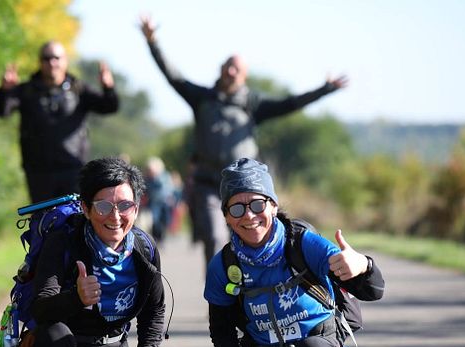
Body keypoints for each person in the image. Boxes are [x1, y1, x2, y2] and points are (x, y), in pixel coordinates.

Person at [140, 16, 348, 264]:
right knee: (214, 237)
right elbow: (172, 75)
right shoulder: (202, 98)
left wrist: (324, 89)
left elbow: (289, 104)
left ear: (244, 76)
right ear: (220, 68)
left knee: (249, 237)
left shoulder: (252, 104)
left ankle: (247, 287)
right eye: (227, 66)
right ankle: (219, 291)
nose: (230, 71)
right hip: (209, 183)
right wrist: (152, 41)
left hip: (243, 184)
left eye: (236, 69)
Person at [204, 158, 385, 347]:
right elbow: (221, 332)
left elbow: (374, 290)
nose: (249, 215)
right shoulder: (223, 266)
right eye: (237, 209)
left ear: (274, 206)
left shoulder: (303, 244)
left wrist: (363, 265)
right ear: (226, 217)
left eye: (258, 204)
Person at [7, 157, 187, 347]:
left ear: (136, 208)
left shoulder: (143, 248)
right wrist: (76, 298)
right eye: (103, 206)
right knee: (57, 335)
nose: (115, 217)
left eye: (125, 206)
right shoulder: (63, 242)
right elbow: (41, 309)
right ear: (86, 208)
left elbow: (154, 310)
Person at [0, 41, 119, 203]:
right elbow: (0, 111)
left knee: (73, 220)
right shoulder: (27, 90)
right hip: (38, 173)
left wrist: (108, 88)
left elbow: (109, 107)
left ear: (65, 61)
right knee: (44, 223)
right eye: (46, 58)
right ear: (40, 62)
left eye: (56, 58)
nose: (52, 62)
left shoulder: (79, 89)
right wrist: (4, 91)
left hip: (74, 170)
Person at [144, 156, 178, 244]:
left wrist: (171, 198)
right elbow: (146, 190)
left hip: (164, 202)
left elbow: (170, 189)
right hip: (153, 203)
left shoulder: (164, 177)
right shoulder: (147, 179)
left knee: (164, 221)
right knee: (155, 221)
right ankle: (156, 239)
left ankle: (161, 238)